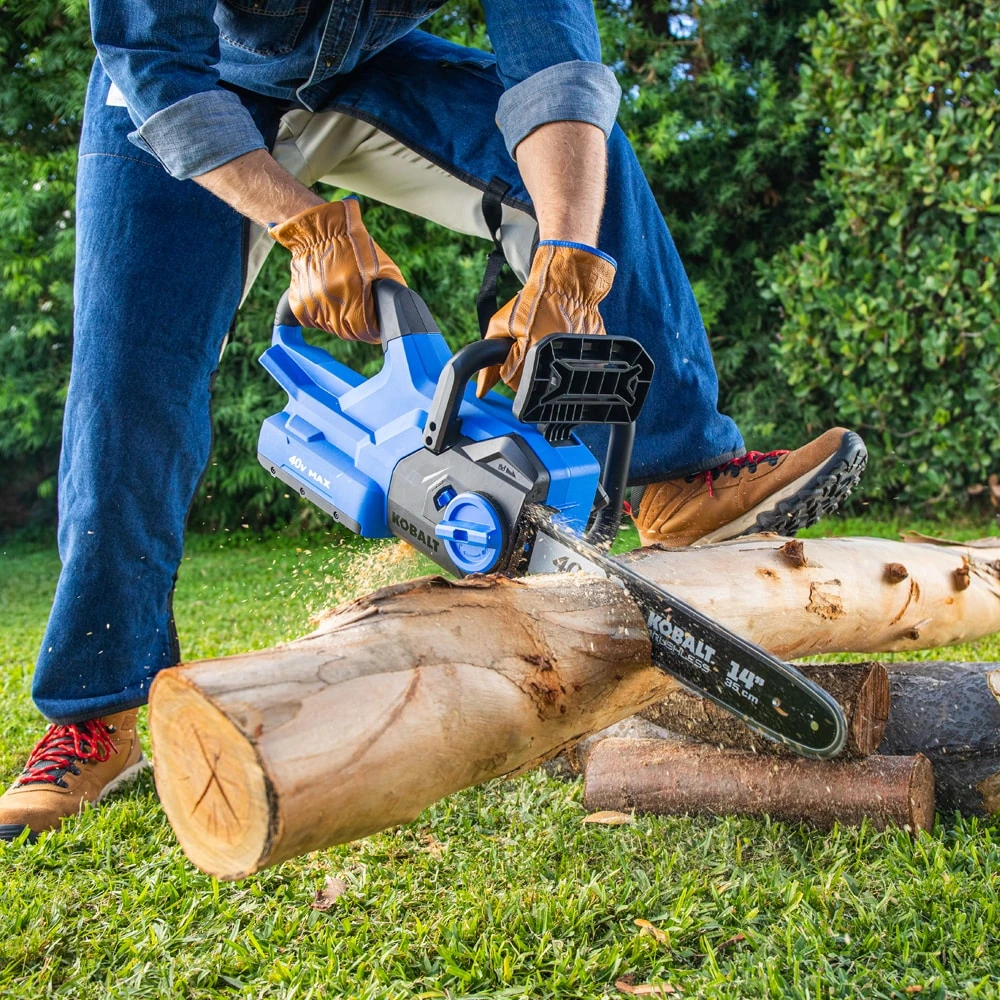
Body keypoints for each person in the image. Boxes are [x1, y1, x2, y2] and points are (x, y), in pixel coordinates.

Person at [0, 1, 866, 842]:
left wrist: (567, 264)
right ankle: (96, 710)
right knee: (130, 375)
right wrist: (305, 228)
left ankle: (676, 477)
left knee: (587, 175)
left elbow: (556, 65)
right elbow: (154, 57)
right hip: (190, 88)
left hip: (373, 70)